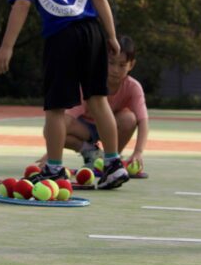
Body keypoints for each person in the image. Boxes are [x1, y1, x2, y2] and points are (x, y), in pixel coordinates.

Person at [0, 0, 129, 190]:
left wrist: (7, 46)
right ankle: (115, 164)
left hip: (60, 36)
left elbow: (21, 5)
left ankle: (54, 169)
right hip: (91, 32)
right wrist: (112, 35)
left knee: (55, 108)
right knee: (98, 99)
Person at [37, 36, 150, 173]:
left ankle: (112, 158)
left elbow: (143, 121)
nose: (115, 70)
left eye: (122, 65)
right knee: (53, 127)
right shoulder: (90, 83)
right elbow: (66, 119)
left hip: (111, 128)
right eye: (111, 63)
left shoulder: (133, 87)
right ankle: (90, 151)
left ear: (131, 65)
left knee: (129, 119)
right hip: (85, 129)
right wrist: (52, 155)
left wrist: (138, 152)